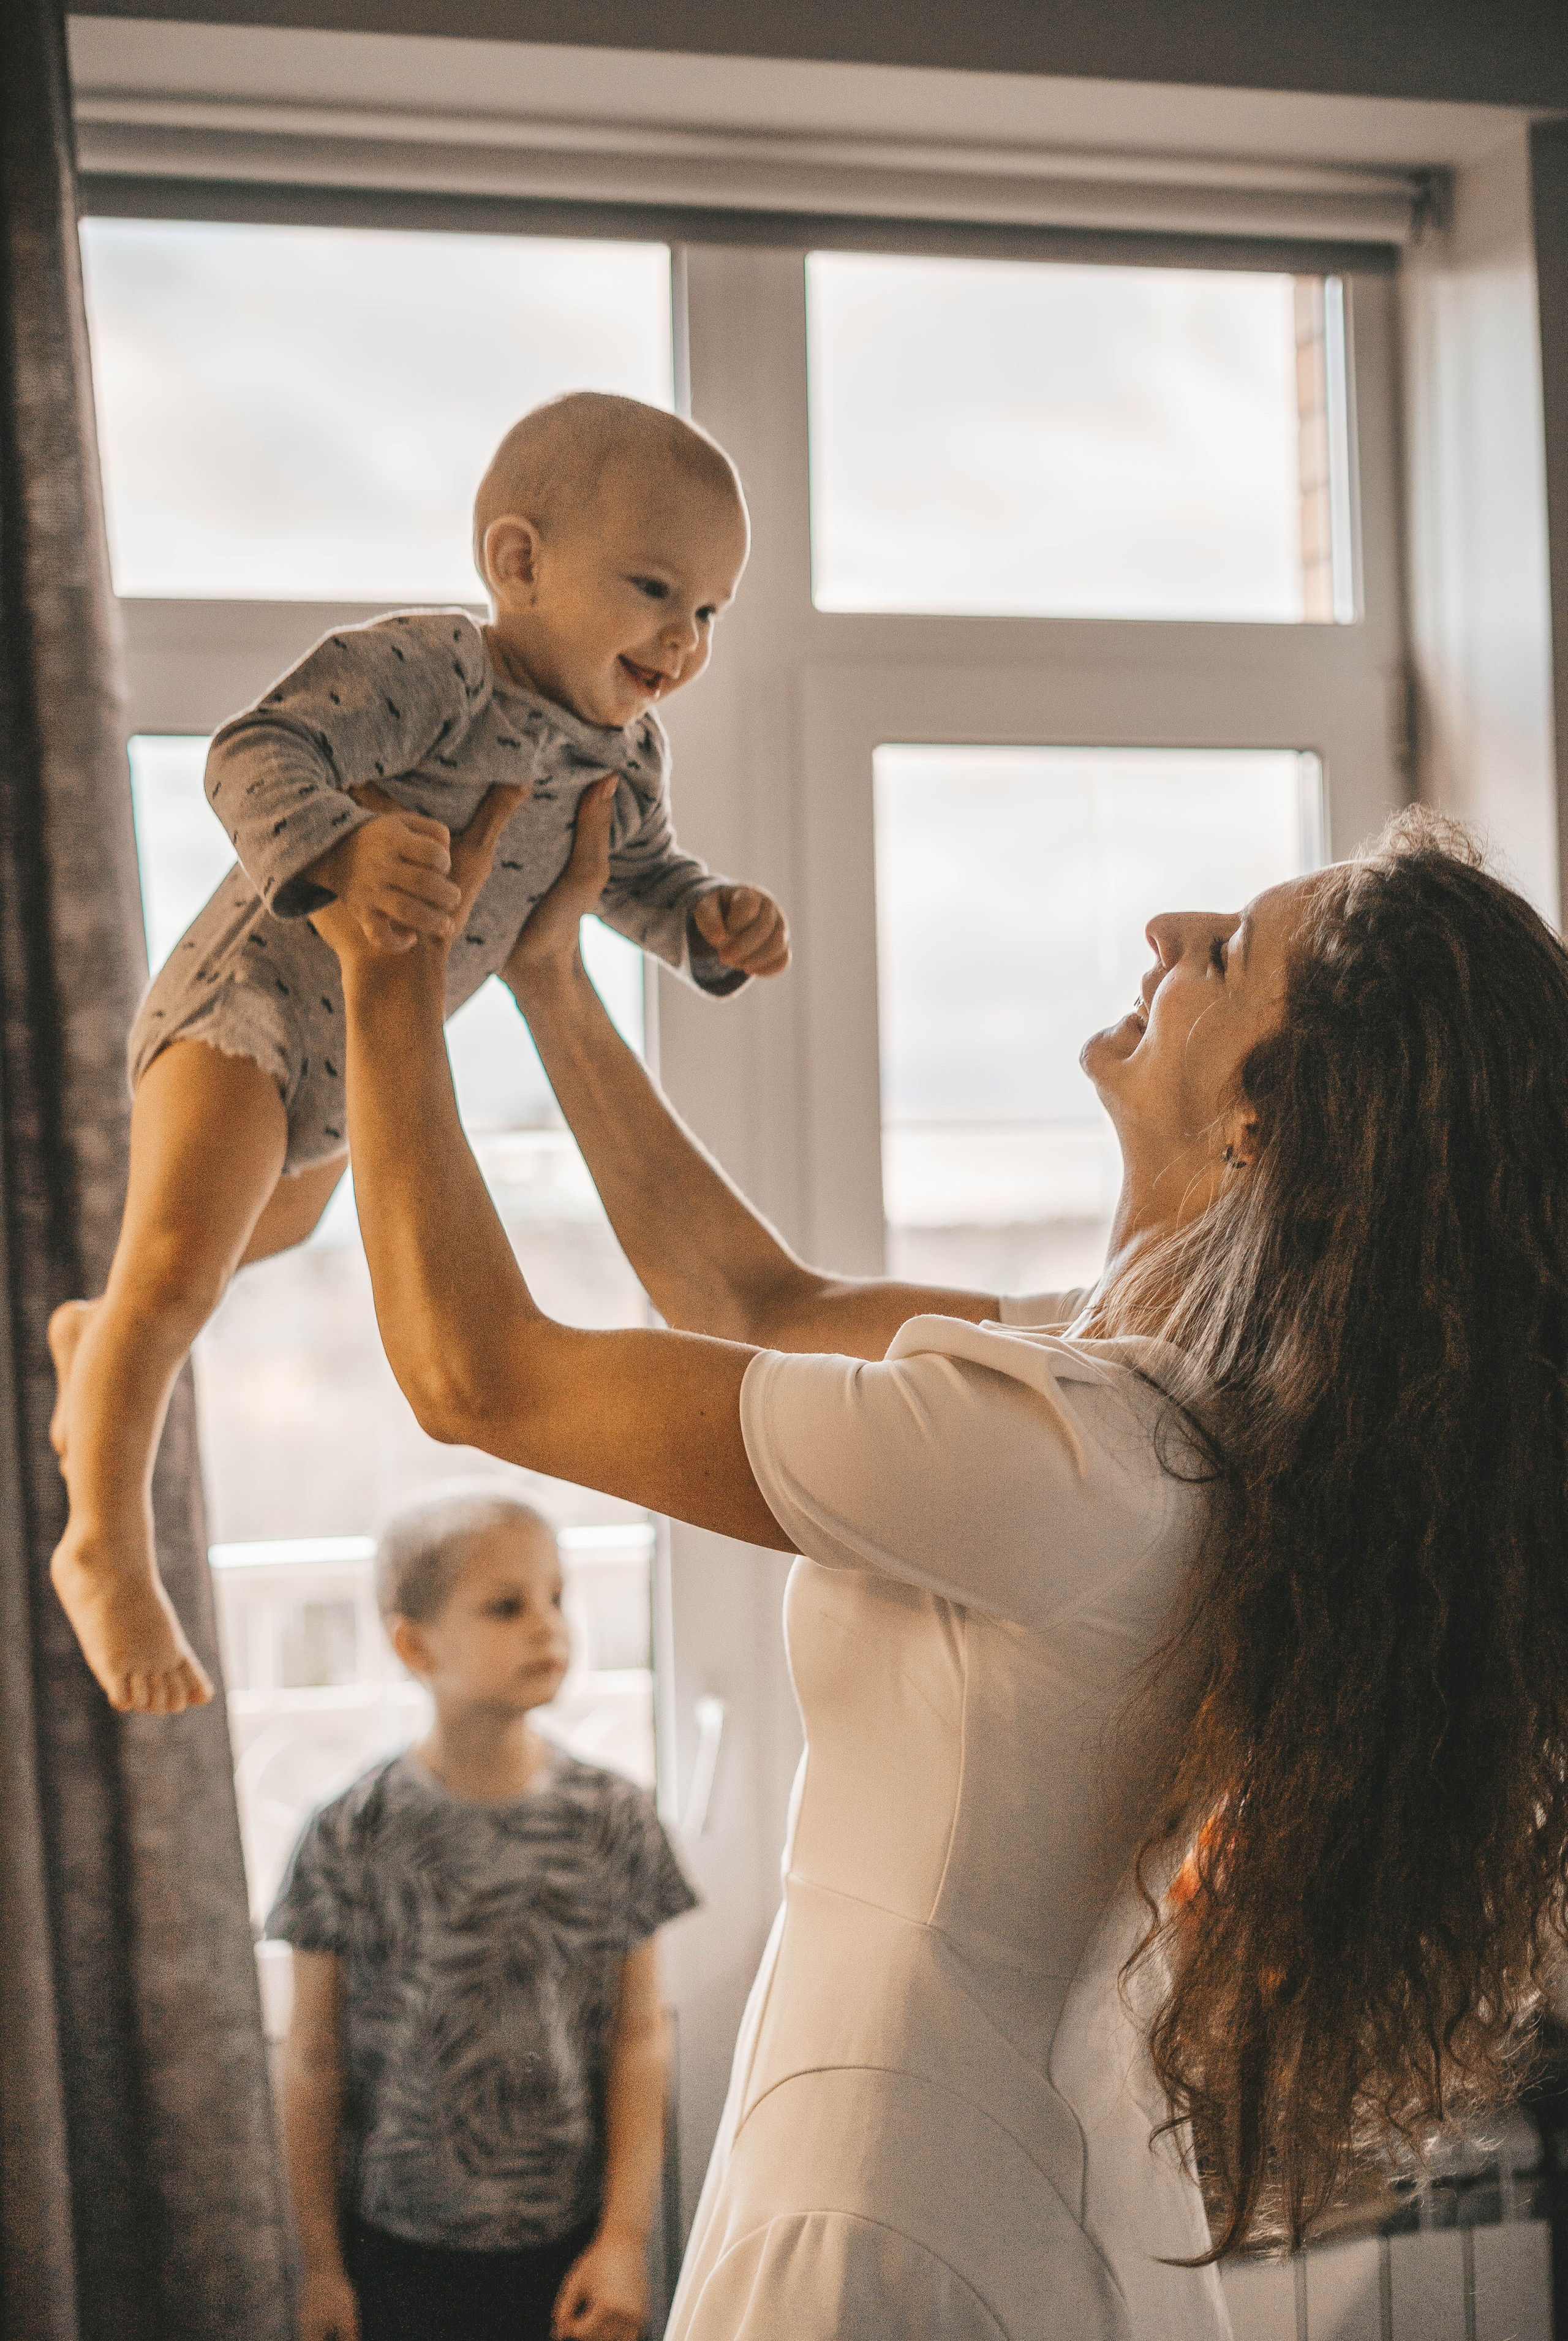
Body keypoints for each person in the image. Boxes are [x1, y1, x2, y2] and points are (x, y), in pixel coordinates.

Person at [313, 776, 1568, 2337]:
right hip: (1007, 2143)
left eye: (1227, 950)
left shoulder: (1073, 1459)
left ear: (1261, 1119)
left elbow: (475, 1376)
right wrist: (551, 977)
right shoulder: (1184, 1410)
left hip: (896, 2195)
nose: (1168, 930)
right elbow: (751, 1300)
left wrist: (379, 977)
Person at [46, 390, 789, 1717]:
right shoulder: (431, 670)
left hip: (353, 1077)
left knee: (229, 1255)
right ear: (517, 564)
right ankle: (103, 1544)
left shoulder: (623, 745)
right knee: (173, 1276)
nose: (682, 638)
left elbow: (627, 873)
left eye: (710, 611)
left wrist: (702, 922)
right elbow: (252, 752)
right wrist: (336, 842)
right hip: (252, 1011)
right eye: (654, 590)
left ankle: (93, 1346)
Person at [268, 1487, 696, 2341]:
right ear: (413, 1643)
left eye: (556, 1597)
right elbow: (314, 2057)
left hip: (569, 2249)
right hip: (396, 2252)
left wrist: (624, 2238)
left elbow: (638, 2037)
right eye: (507, 1606)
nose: (548, 1626)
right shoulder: (350, 1831)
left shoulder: (613, 1817)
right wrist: (319, 2265)